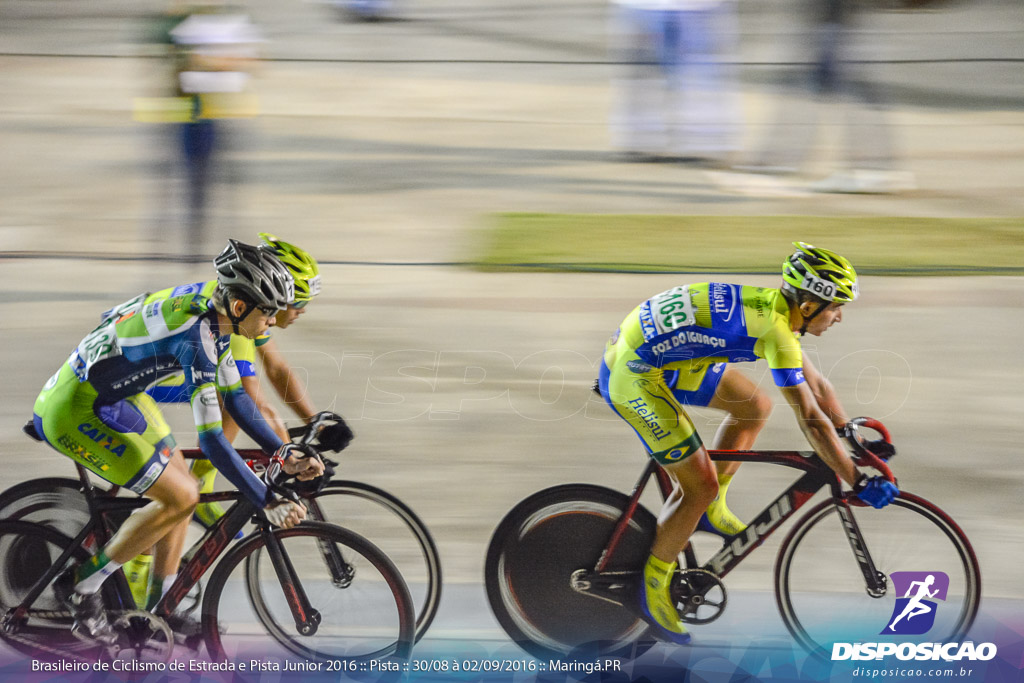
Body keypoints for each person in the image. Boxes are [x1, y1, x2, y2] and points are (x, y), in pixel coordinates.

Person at [597, 242, 899, 644]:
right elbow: (810, 418)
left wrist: (848, 429)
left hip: (662, 357)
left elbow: (818, 386)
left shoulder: (776, 311)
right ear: (808, 305)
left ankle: (709, 508)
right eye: (836, 306)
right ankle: (651, 589)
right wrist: (854, 479)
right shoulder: (778, 331)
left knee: (754, 407)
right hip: (634, 374)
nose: (840, 316)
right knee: (697, 485)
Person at [32, 240, 324, 642]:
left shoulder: (216, 314)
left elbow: (236, 398)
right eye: (269, 311)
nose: (273, 321)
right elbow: (213, 444)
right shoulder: (198, 338)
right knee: (181, 495)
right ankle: (80, 587)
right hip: (74, 409)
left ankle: (160, 607)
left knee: (183, 483)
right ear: (241, 307)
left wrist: (283, 451)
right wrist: (267, 500)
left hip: (114, 394)